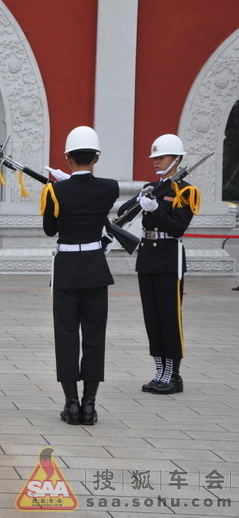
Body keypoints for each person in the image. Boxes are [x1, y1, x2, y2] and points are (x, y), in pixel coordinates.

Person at [40, 126, 119, 425]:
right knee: (95, 337)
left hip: (67, 270)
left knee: (67, 336)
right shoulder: (109, 188)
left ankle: (71, 405)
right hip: (96, 268)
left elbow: (50, 230)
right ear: (96, 157)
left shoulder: (54, 191)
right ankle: (90, 406)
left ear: (67, 158)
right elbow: (95, 201)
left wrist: (62, 187)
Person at [118, 134, 200, 395]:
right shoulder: (151, 187)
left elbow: (177, 228)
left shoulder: (185, 191)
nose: (155, 161)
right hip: (147, 258)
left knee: (169, 318)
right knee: (152, 319)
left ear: (176, 160)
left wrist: (155, 209)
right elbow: (122, 213)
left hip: (168, 259)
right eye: (154, 157)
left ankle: (173, 375)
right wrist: (139, 200)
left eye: (161, 157)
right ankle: (159, 371)